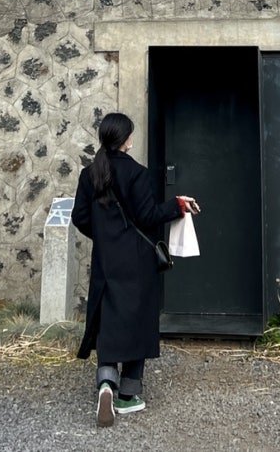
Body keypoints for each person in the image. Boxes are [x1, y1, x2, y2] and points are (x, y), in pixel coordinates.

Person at [71, 112, 200, 428]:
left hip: (106, 259)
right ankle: (129, 394)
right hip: (138, 260)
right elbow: (148, 215)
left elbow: (80, 217)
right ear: (126, 139)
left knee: (107, 317)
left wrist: (104, 236)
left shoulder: (90, 174)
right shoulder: (137, 173)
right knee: (137, 319)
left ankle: (105, 384)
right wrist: (178, 205)